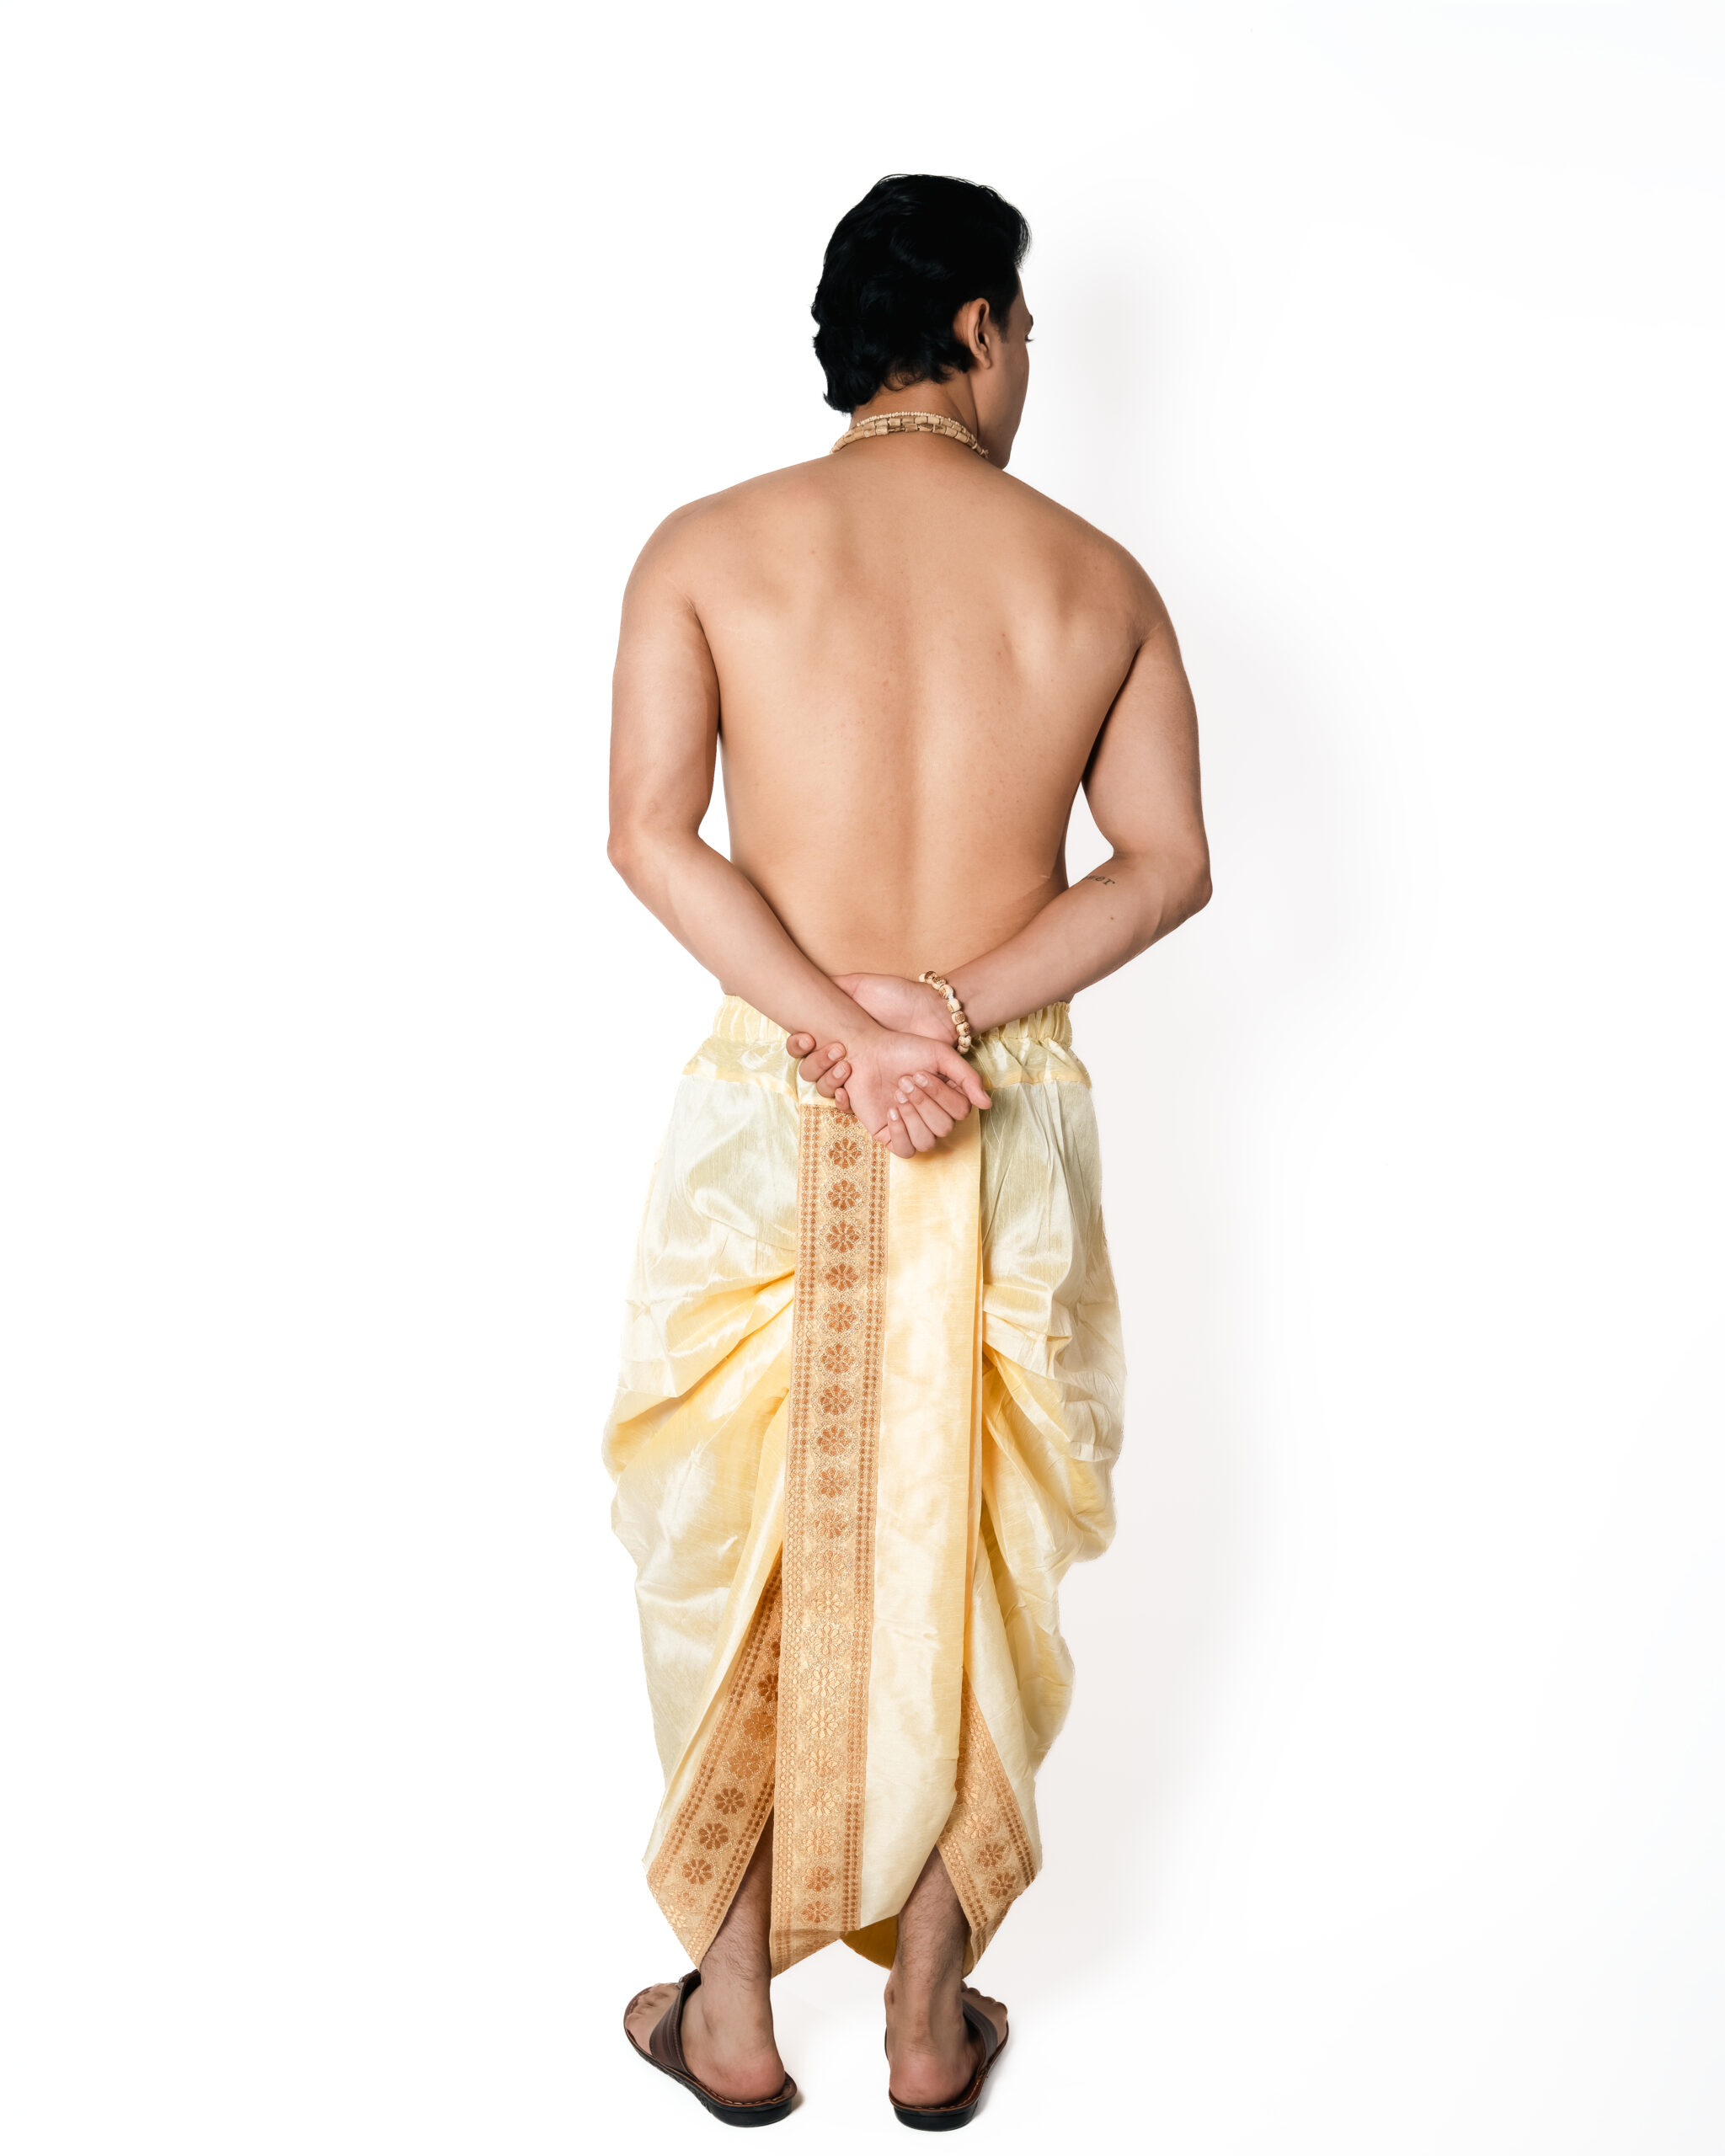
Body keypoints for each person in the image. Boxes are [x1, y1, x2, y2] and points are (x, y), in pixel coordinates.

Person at [603, 173, 1210, 2128]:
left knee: (737, 1539)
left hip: (778, 1104)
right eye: (1021, 330)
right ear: (972, 328)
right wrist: (941, 1017)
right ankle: (932, 2020)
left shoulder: (707, 549)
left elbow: (650, 834)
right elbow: (1165, 863)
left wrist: (845, 1025)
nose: (1026, 364)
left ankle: (730, 2013)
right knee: (981, 1548)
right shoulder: (1095, 581)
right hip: (993, 1102)